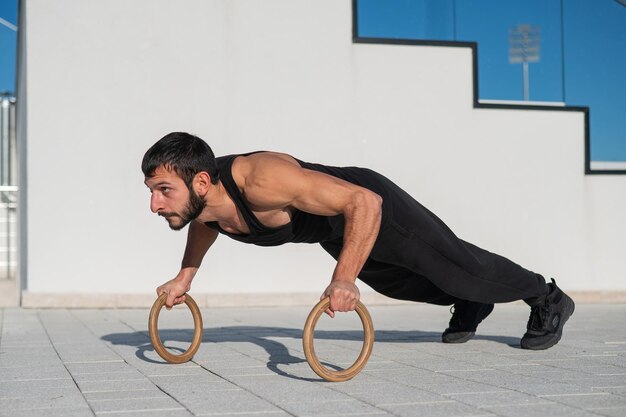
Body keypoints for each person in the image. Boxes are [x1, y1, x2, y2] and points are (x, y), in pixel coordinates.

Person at [142, 132, 575, 350]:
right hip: (335, 230)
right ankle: (471, 304)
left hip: (370, 207)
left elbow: (362, 201)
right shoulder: (205, 204)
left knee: (462, 270)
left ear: (201, 181)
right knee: (398, 284)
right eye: (151, 191)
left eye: (163, 191)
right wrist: (185, 277)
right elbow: (205, 224)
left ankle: (546, 296)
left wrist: (344, 278)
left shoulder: (261, 178)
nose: (154, 205)